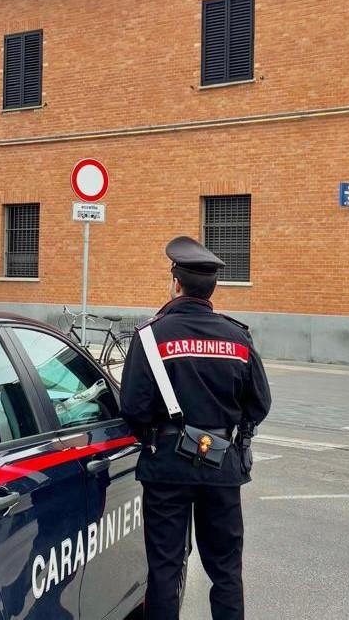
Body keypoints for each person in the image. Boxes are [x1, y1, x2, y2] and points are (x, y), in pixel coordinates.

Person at [120, 236, 271, 620]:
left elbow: (133, 408)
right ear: (212, 288)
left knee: (165, 569)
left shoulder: (150, 337)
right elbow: (260, 403)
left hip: (166, 467)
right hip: (221, 466)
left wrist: (156, 434)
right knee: (225, 571)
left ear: (175, 283)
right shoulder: (239, 338)